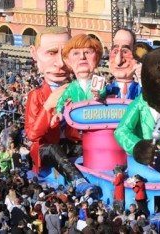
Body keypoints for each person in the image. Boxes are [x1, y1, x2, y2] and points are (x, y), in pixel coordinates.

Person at [25, 27, 96, 195]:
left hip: (71, 144)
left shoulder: (78, 91)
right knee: (51, 149)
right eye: (51, 53)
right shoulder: (36, 96)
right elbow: (33, 134)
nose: (61, 63)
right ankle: (77, 181)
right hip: (46, 149)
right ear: (35, 54)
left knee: (91, 146)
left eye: (65, 54)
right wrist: (48, 106)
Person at [51, 33, 106, 126]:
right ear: (68, 60)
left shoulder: (98, 81)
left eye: (87, 52)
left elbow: (103, 94)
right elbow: (61, 99)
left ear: (97, 58)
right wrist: (59, 112)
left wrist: (99, 95)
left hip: (97, 125)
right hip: (78, 125)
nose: (82, 57)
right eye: (76, 53)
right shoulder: (72, 87)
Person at [107, 28, 141, 99]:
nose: (118, 61)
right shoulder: (106, 91)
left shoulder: (141, 90)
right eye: (115, 52)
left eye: (125, 52)